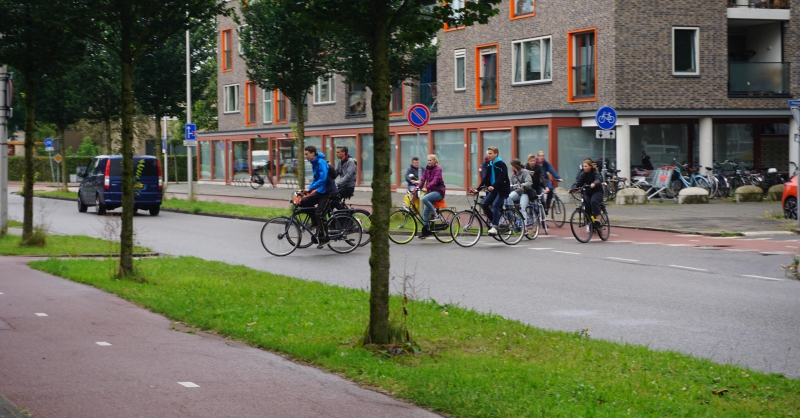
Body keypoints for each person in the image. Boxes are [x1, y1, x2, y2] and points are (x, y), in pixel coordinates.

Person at [299, 145, 335, 249]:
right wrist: (308, 189)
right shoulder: (314, 163)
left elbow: (323, 179)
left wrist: (310, 189)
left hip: (328, 192)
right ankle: (315, 222)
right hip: (320, 191)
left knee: (319, 213)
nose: (305, 156)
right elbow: (316, 179)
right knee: (304, 201)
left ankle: (325, 239)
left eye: (307, 154)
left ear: (313, 153)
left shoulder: (321, 162)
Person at [477, 146, 510, 235]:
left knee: (495, 204)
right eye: (488, 153)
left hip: (503, 190)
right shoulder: (490, 164)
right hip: (494, 190)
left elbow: (501, 178)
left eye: (490, 153)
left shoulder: (501, 165)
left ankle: (495, 226)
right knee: (484, 204)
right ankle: (495, 222)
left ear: (496, 154)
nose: (488, 155)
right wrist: (478, 189)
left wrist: (493, 186)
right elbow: (486, 178)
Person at [417, 154, 446, 238]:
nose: (428, 162)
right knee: (425, 212)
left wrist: (427, 187)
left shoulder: (438, 169)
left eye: (430, 160)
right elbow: (423, 179)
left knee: (424, 198)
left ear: (434, 161)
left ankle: (435, 214)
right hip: (431, 192)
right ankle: (426, 231)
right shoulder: (427, 169)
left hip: (439, 192)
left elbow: (435, 180)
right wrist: (417, 188)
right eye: (428, 160)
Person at [571, 158, 604, 228]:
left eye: (586, 166)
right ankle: (590, 222)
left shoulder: (595, 173)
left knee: (593, 202)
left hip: (597, 191)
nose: (584, 168)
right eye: (583, 166)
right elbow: (578, 183)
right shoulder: (583, 174)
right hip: (588, 192)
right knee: (586, 205)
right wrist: (572, 189)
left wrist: (594, 184)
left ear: (590, 166)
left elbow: (598, 179)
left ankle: (598, 220)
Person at [506, 159, 533, 232]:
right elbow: (511, 184)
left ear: (515, 166)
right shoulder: (513, 174)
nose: (511, 167)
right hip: (517, 192)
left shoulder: (524, 172)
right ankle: (513, 213)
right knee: (509, 197)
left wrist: (523, 185)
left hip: (525, 192)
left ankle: (525, 228)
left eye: (511, 165)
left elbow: (529, 182)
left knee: (522, 208)